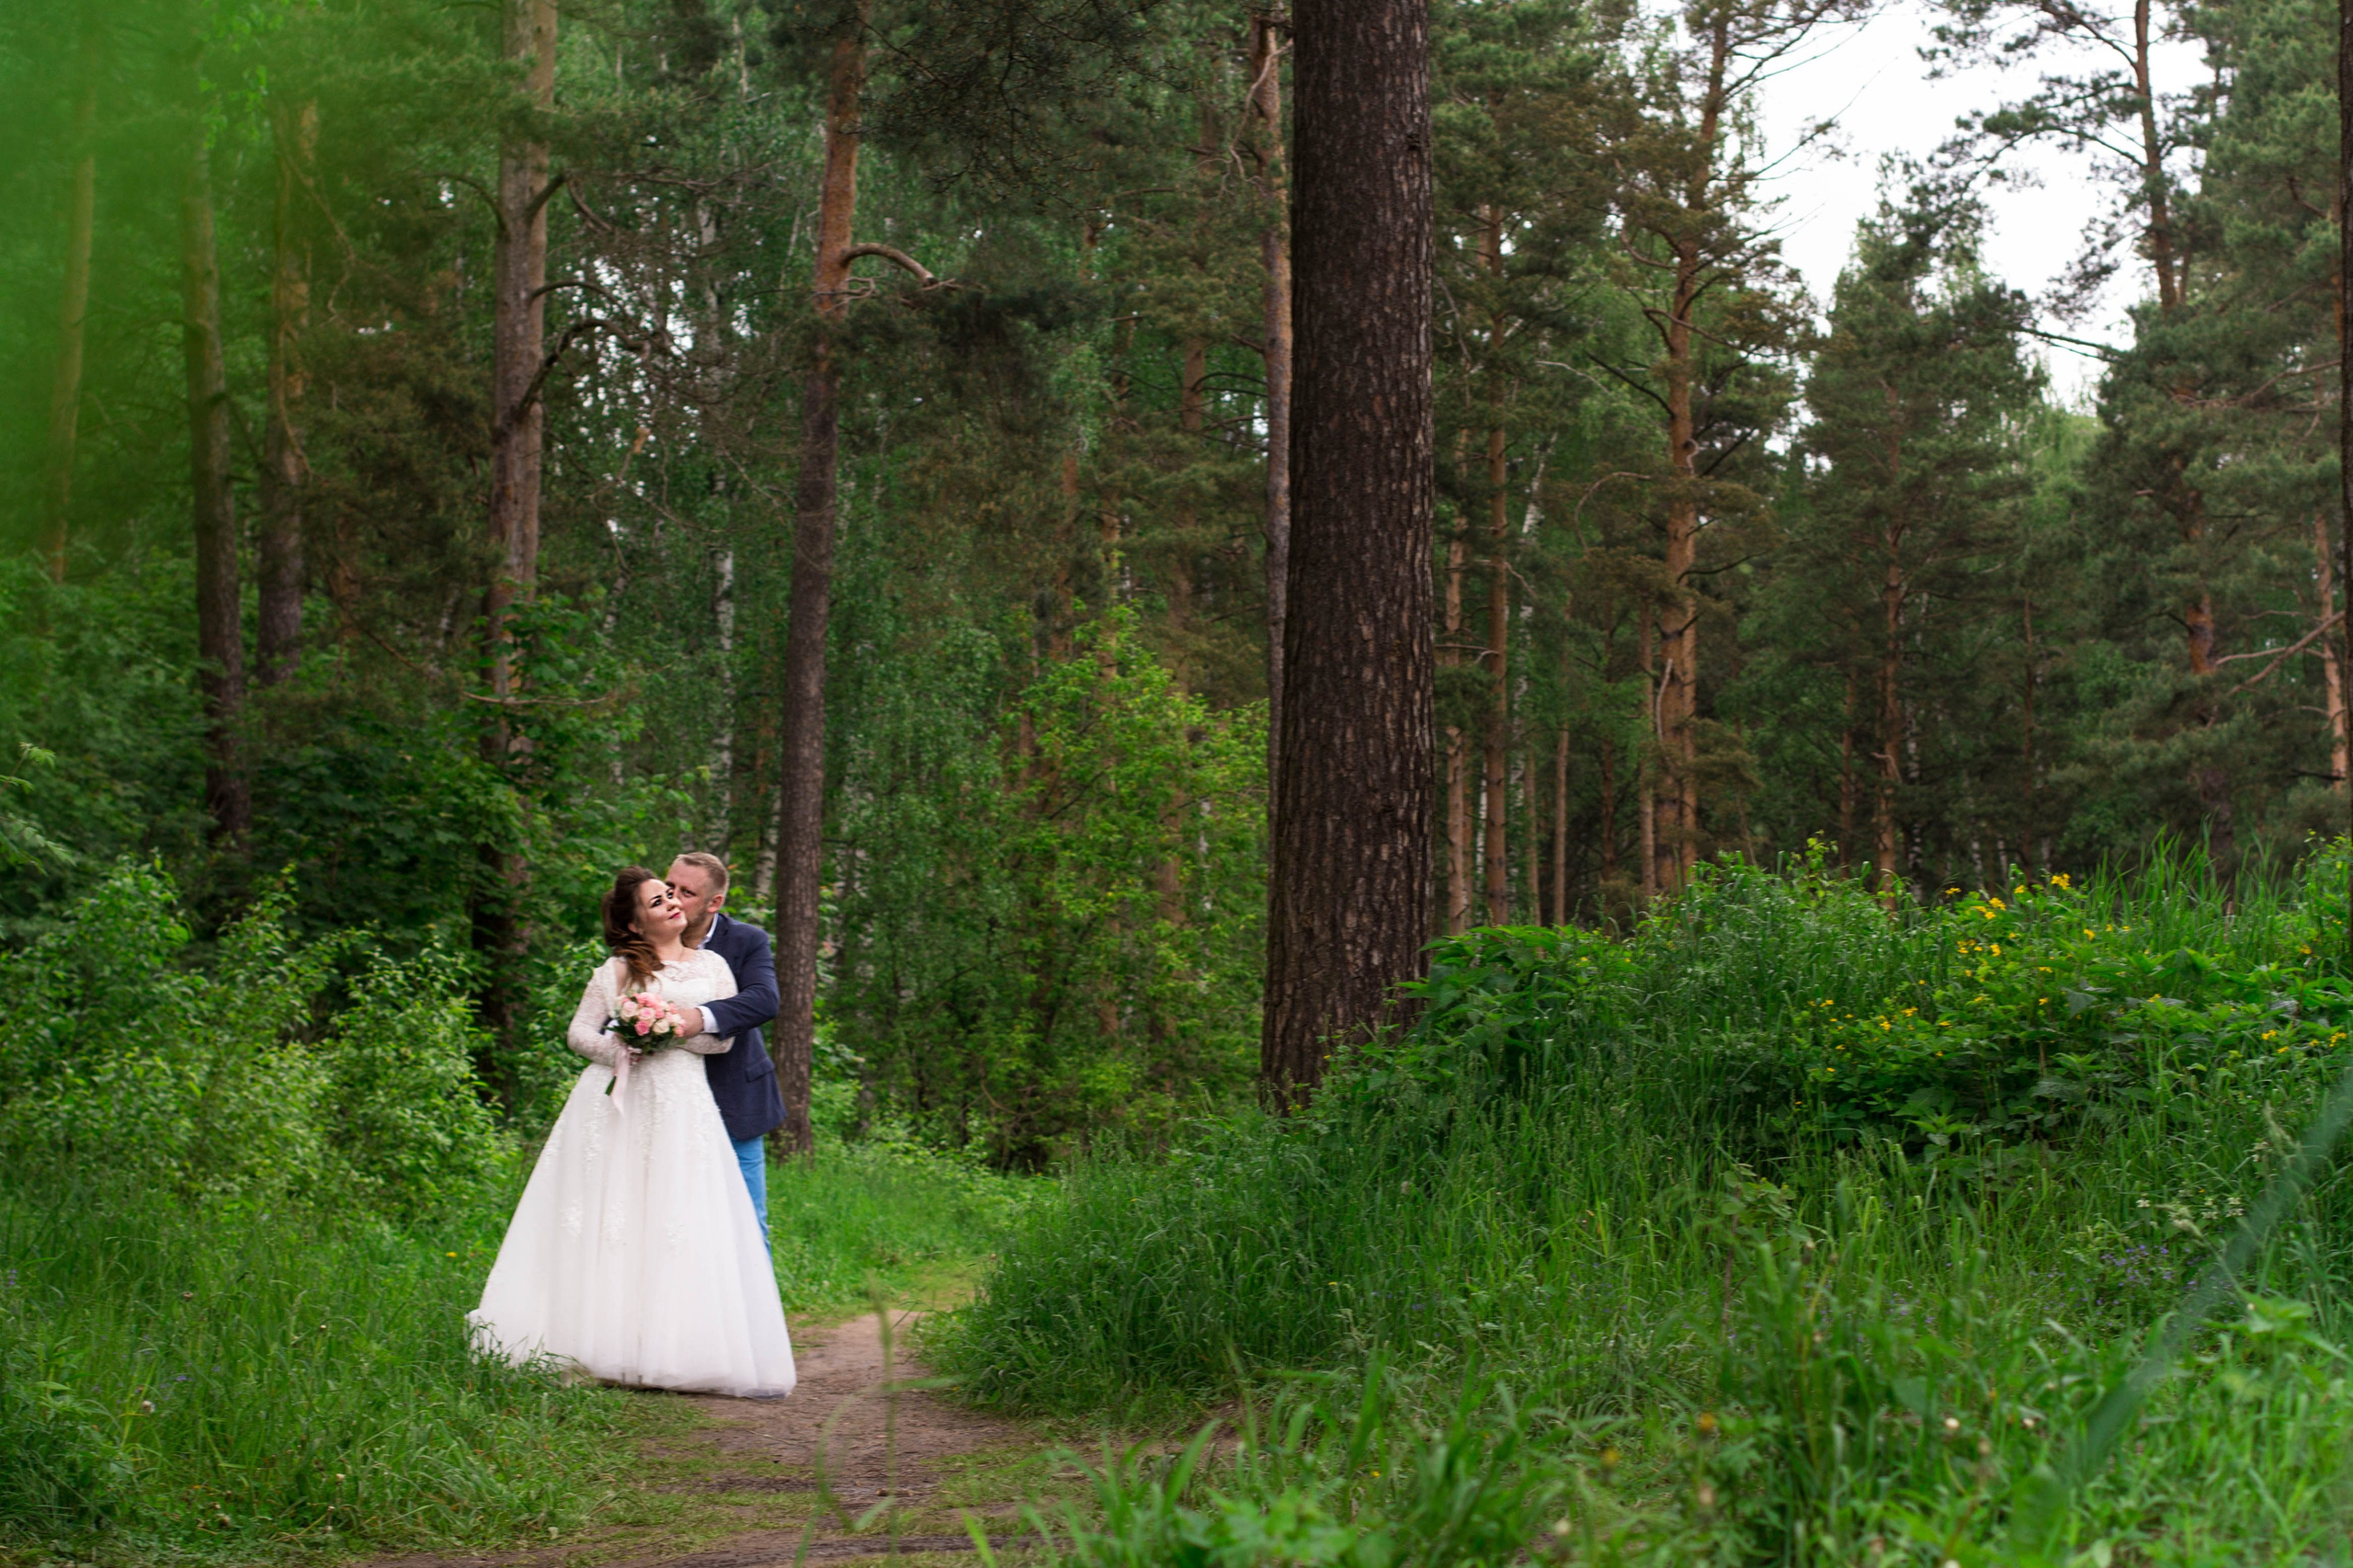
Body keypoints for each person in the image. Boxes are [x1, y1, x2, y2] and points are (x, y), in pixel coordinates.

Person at [468, 867, 795, 1397]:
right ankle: (597, 1340)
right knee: (612, 1211)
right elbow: (579, 1033)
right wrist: (622, 1048)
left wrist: (669, 1034)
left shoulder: (712, 966)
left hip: (685, 1103)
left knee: (676, 1215)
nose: (671, 903)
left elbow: (722, 1044)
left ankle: (673, 1346)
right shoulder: (617, 969)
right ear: (636, 922)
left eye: (672, 895)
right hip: (616, 1104)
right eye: (658, 899)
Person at [660, 852, 786, 1233]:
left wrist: (697, 1019)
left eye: (687, 892)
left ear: (715, 902)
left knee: (747, 1223)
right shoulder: (646, 938)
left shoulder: (748, 940)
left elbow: (764, 999)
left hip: (736, 1101)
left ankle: (755, 1294)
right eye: (669, 887)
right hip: (664, 1102)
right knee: (674, 1225)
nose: (673, 899)